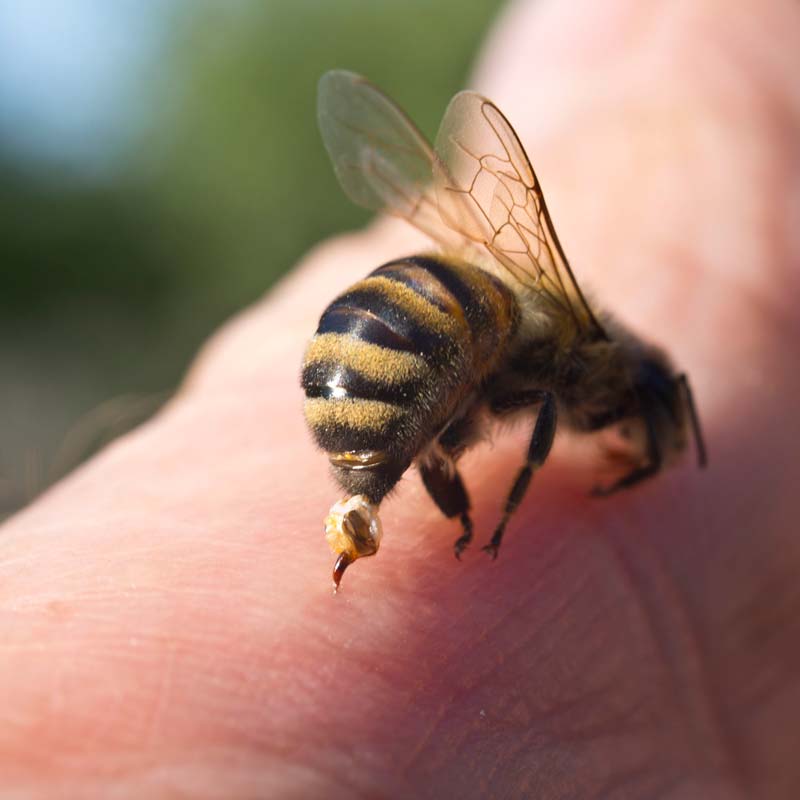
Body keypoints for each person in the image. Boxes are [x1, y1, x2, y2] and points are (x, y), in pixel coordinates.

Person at [2, 0, 798, 796]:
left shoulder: (515, 338)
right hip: (414, 336)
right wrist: (505, 517)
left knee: (457, 380)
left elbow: (464, 398)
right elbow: (524, 405)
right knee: (472, 380)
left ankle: (377, 491)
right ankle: (405, 493)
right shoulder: (575, 360)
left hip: (368, 336)